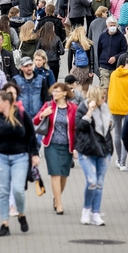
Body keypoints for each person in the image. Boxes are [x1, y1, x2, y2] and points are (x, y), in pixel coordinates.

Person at [0, 91, 39, 237]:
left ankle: (21, 214)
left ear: (6, 103)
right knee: (3, 191)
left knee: (18, 189)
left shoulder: (22, 116)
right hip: (0, 157)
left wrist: (35, 154)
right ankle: (4, 223)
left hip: (20, 157)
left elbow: (31, 136)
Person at [33, 82, 77, 214]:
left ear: (65, 93)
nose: (55, 94)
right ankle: (59, 204)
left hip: (67, 146)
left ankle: (56, 198)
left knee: (64, 175)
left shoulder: (73, 108)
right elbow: (35, 121)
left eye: (58, 91)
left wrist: (76, 148)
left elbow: (77, 129)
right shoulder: (48, 106)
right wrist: (43, 114)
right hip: (51, 145)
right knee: (55, 174)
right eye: (53, 91)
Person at [75, 85, 113, 225]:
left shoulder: (104, 107)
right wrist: (90, 111)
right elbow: (79, 127)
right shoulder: (83, 107)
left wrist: (110, 124)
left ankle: (95, 213)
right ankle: (86, 210)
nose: (105, 99)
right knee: (92, 182)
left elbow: (109, 127)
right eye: (102, 97)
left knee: (99, 183)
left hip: (104, 150)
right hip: (88, 150)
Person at [107, 53, 128, 171]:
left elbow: (111, 89)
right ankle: (123, 163)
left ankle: (119, 158)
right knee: (127, 135)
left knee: (117, 133)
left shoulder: (114, 74)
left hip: (114, 106)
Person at [96, 17, 127, 89]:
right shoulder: (102, 36)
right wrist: (99, 65)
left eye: (114, 25)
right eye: (111, 25)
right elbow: (99, 50)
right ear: (107, 26)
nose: (113, 27)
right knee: (104, 89)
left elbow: (124, 51)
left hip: (116, 67)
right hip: (104, 66)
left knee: (114, 88)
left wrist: (116, 57)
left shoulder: (121, 37)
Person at [66, 26, 95, 93]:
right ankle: (84, 102)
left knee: (76, 90)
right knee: (85, 90)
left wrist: (69, 70)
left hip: (76, 69)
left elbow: (69, 59)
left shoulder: (72, 44)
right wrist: (91, 70)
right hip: (87, 69)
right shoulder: (89, 44)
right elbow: (91, 58)